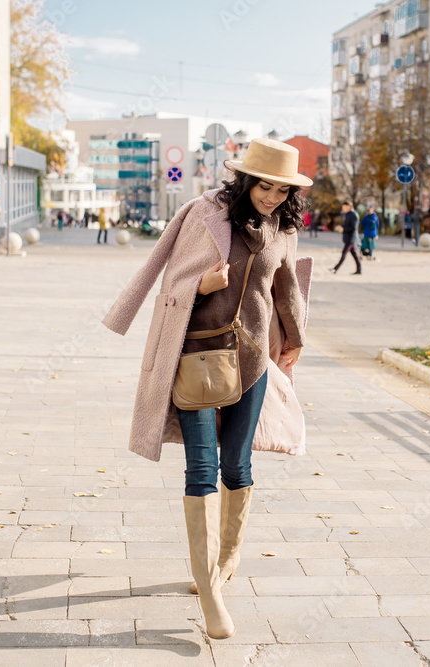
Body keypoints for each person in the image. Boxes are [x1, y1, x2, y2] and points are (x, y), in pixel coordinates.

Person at [102, 138, 311, 640]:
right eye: (265, 186)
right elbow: (168, 286)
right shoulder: (205, 214)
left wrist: (296, 340)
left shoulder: (283, 229)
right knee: (202, 466)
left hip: (253, 360)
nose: (272, 197)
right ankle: (209, 589)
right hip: (194, 357)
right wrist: (201, 287)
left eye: (282, 191)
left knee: (238, 464)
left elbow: (285, 289)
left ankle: (228, 556)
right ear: (245, 180)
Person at [331, 201, 362, 274]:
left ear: (348, 206)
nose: (342, 208)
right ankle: (359, 270)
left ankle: (335, 268)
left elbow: (353, 228)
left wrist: (343, 229)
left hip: (351, 238)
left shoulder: (354, 215)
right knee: (355, 255)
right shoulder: (348, 214)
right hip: (349, 238)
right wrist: (342, 227)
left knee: (344, 254)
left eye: (344, 207)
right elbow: (348, 225)